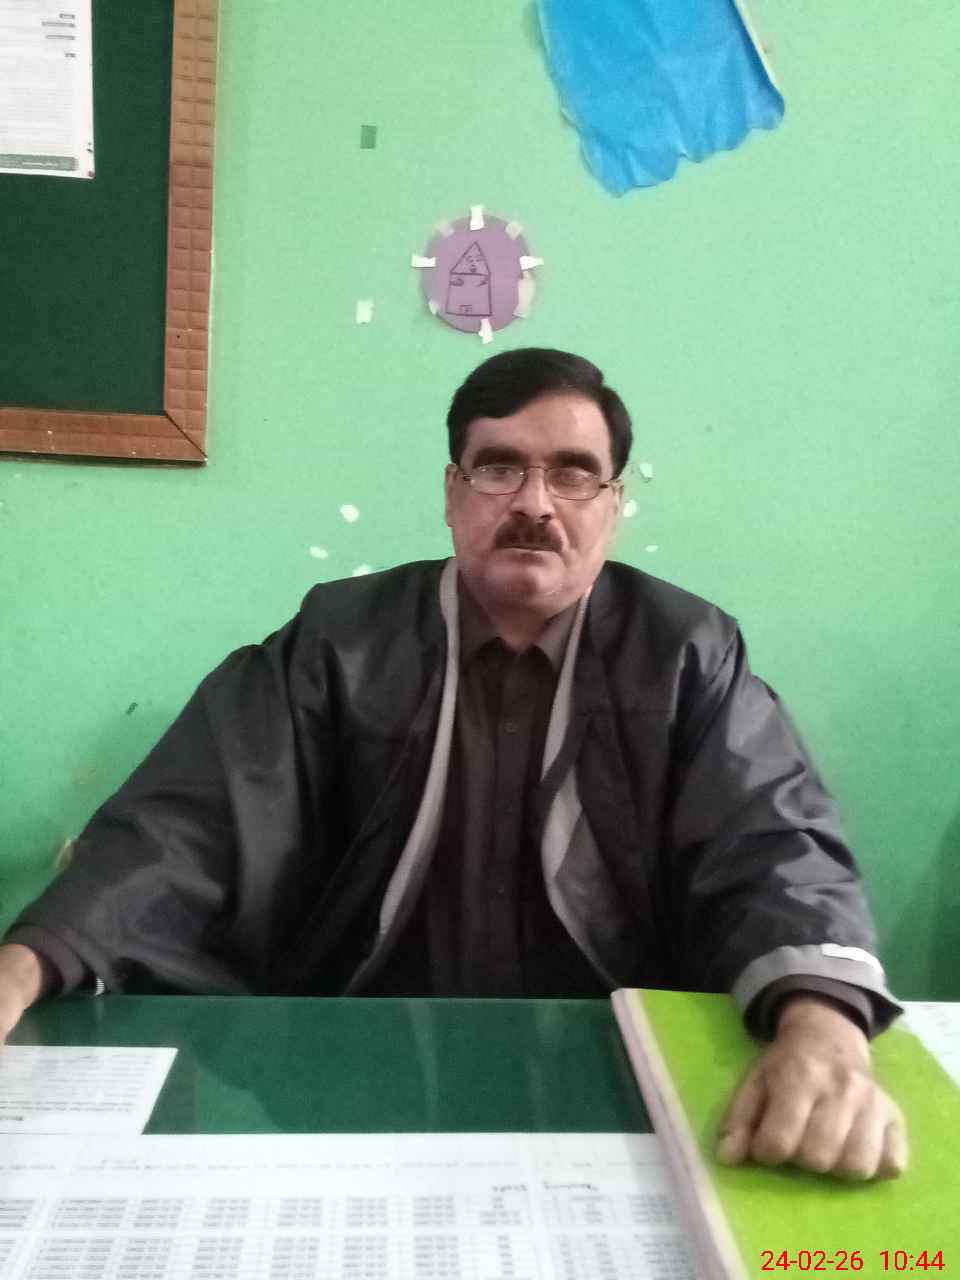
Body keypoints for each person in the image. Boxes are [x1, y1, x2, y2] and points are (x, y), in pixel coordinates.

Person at [0, 348, 906, 1179]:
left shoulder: (684, 653)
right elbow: (188, 824)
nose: (535, 504)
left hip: (617, 1070)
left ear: (614, 504)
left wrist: (822, 1031)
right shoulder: (339, 642)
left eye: (573, 474)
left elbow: (771, 840)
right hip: (357, 1066)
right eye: (500, 467)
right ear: (452, 491)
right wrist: (27, 963)